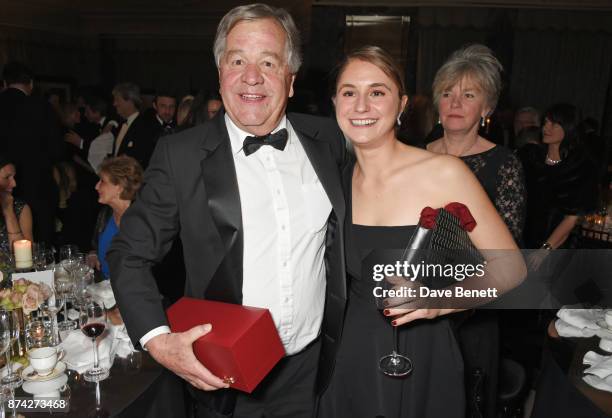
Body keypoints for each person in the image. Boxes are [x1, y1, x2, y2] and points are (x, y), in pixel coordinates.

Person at [108, 4, 346, 418]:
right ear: (220, 74)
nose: (251, 76)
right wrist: (159, 340)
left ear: (290, 81)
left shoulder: (329, 140)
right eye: (237, 60)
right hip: (226, 377)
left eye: (268, 62)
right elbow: (128, 254)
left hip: (313, 370)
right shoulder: (180, 155)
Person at [317, 45, 525, 418]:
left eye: (377, 92)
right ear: (335, 102)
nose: (361, 106)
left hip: (423, 351)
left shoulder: (444, 173)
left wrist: (439, 301)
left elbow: (511, 269)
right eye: (350, 92)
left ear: (401, 105)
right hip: (351, 348)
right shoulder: (337, 180)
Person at [426, 44, 527, 417]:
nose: (455, 102)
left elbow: (508, 255)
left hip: (473, 309)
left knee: (464, 400)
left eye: (468, 95)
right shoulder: (414, 154)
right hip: (414, 294)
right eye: (448, 93)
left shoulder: (504, 164)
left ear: (486, 109)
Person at [524, 103, 598, 256]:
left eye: (554, 123)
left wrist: (544, 250)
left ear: (569, 128)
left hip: (556, 246)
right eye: (546, 121)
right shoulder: (530, 158)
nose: (546, 127)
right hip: (520, 238)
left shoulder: (580, 167)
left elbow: (572, 218)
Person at [88, 156, 143, 280]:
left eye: (102, 181)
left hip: (131, 291)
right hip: (103, 289)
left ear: (119, 187)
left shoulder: (140, 220)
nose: (96, 187)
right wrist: (93, 254)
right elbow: (95, 246)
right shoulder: (105, 214)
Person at [0, 155, 33, 255]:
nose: (14, 184)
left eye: (14, 177)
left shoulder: (20, 208)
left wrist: (9, 213)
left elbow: (25, 257)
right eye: (7, 177)